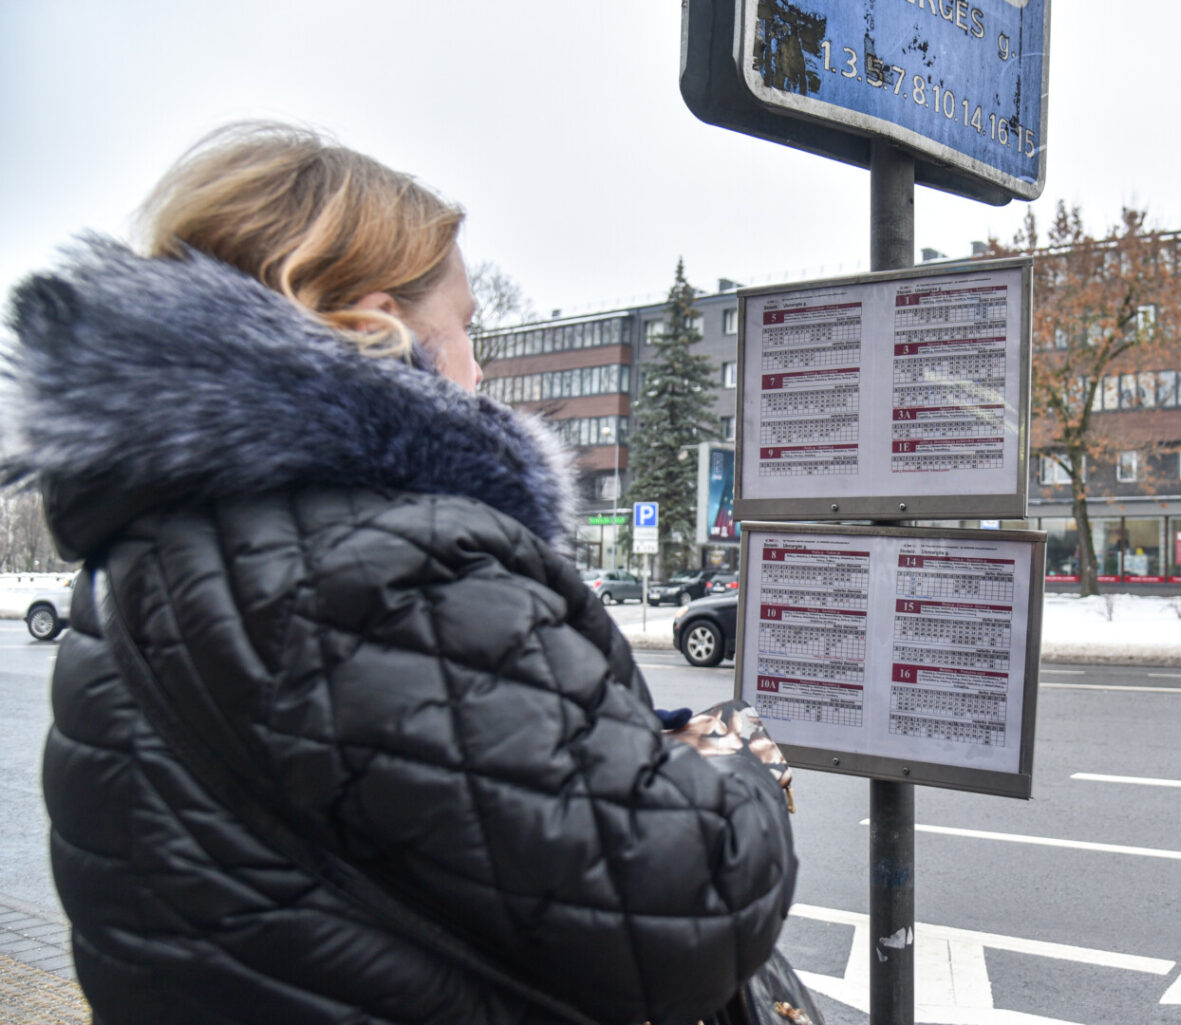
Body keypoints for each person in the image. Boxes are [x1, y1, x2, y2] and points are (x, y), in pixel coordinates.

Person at [2, 123, 796, 1025]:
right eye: (464, 327)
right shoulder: (388, 565)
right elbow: (688, 906)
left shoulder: (142, 562)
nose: (479, 365)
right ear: (375, 325)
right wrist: (746, 769)